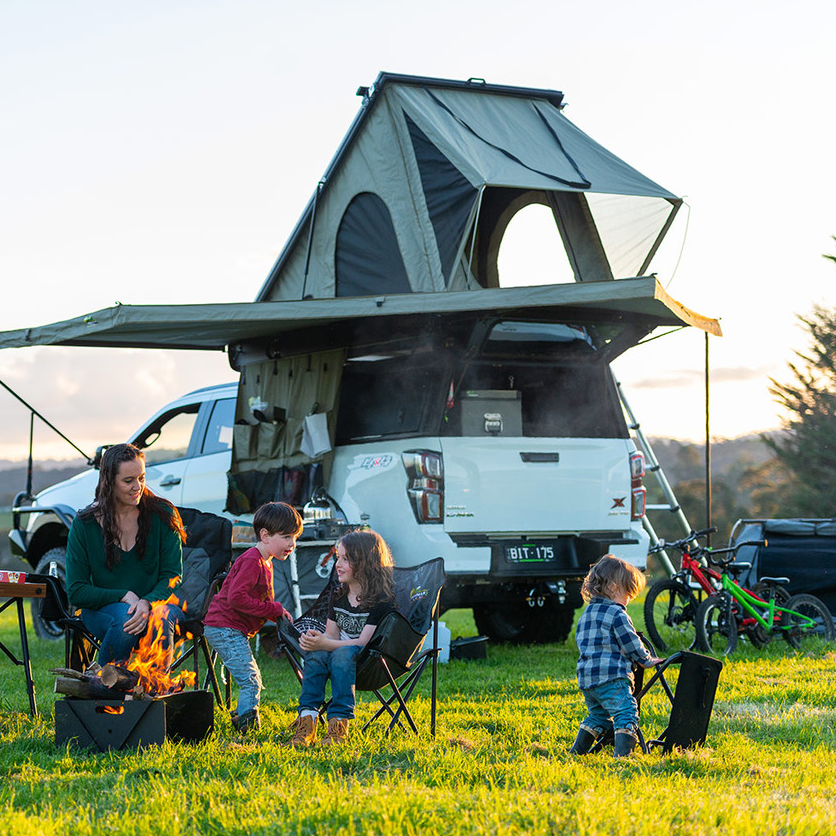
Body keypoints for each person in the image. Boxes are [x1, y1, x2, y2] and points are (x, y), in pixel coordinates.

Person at [66, 443, 187, 667]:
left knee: (161, 618)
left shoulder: (163, 515)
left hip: (159, 605)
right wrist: (124, 596)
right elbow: (76, 590)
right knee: (124, 618)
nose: (137, 487)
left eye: (141, 478)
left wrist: (147, 602)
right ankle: (107, 692)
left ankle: (149, 696)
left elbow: (173, 575)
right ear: (109, 482)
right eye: (128, 480)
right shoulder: (85, 524)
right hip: (103, 610)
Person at [289, 529, 395, 748]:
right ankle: (307, 721)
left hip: (367, 659)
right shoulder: (338, 595)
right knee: (317, 653)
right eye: (338, 557)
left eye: (346, 559)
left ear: (365, 563)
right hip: (338, 651)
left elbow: (363, 642)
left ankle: (338, 726)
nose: (338, 564)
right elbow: (331, 635)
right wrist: (317, 639)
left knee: (342, 653)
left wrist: (327, 643)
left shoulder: (381, 599)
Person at [204, 501, 302, 733]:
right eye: (287, 537)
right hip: (224, 628)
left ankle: (240, 715)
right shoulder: (251, 561)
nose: (292, 544)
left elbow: (256, 601)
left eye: (295, 538)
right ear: (265, 535)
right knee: (250, 679)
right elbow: (236, 599)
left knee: (251, 676)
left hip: (230, 628)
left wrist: (275, 610)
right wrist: (272, 609)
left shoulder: (265, 562)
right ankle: (247, 728)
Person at [570, 554, 663, 757]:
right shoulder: (617, 614)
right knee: (626, 712)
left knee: (599, 716)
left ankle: (576, 753)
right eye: (627, 595)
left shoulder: (587, 614)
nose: (627, 602)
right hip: (611, 678)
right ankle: (622, 757)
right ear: (613, 587)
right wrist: (646, 660)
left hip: (587, 679)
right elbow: (630, 642)